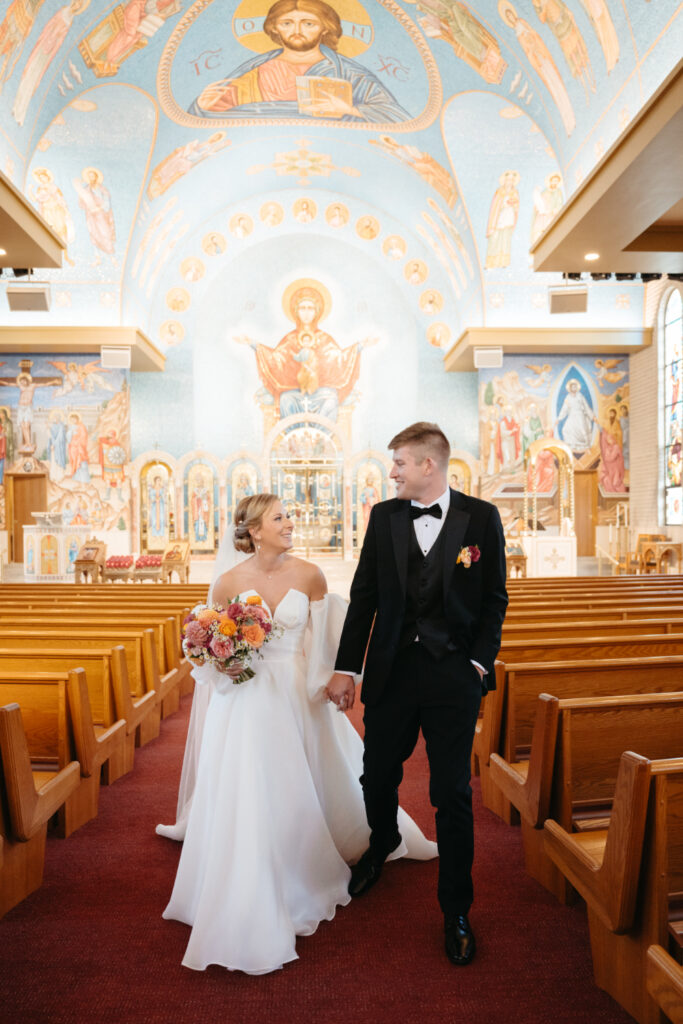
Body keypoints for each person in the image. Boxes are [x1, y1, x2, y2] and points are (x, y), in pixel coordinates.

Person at [158, 493, 436, 974]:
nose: (291, 523)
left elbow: (327, 640)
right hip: (244, 698)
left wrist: (334, 682)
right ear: (254, 529)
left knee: (305, 772)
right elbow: (205, 648)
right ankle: (250, 867)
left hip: (294, 689)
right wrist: (222, 660)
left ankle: (315, 849)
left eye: (289, 516)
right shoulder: (227, 582)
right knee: (250, 781)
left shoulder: (310, 574)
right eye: (280, 518)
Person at [325, 422, 508, 966]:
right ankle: (382, 840)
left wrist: (478, 661)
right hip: (393, 671)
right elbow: (363, 597)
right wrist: (346, 669)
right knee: (376, 773)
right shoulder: (383, 518)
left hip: (454, 675)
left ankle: (456, 909)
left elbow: (495, 597)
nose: (393, 472)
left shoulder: (482, 517)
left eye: (400, 463)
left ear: (429, 465)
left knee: (451, 793)